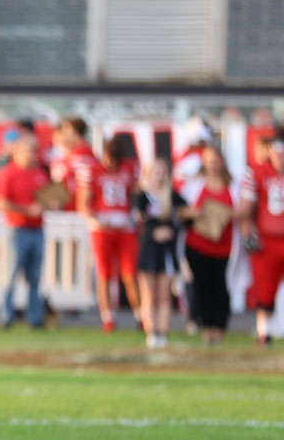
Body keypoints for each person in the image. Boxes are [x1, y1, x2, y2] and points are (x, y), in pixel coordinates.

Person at [239, 127, 284, 346]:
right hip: (267, 240)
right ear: (270, 153)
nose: (281, 158)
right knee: (265, 290)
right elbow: (246, 208)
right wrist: (247, 232)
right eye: (278, 153)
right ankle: (264, 333)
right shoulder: (256, 172)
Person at [77, 137, 141, 333]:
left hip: (124, 227)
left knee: (130, 272)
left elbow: (138, 195)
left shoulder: (129, 168)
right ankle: (108, 318)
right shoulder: (92, 170)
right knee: (104, 273)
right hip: (102, 229)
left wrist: (135, 215)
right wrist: (96, 218)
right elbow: (83, 203)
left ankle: (141, 315)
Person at [0, 134, 57, 328]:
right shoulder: (7, 173)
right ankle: (6, 316)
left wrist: (50, 204)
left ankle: (35, 318)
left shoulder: (39, 174)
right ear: (18, 152)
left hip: (37, 228)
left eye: (34, 151)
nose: (32, 155)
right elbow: (0, 202)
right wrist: (26, 210)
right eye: (29, 150)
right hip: (17, 228)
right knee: (10, 274)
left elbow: (49, 196)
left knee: (35, 276)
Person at [134, 159, 190, 349]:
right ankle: (151, 332)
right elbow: (138, 217)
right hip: (149, 248)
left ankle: (163, 332)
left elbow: (186, 213)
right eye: (155, 172)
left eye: (162, 172)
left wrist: (172, 229)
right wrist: (153, 231)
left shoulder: (171, 195)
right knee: (148, 293)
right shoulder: (142, 195)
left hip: (166, 249)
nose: (158, 176)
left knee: (164, 294)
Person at [182, 146, 235, 346]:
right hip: (198, 244)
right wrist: (195, 213)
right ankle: (206, 328)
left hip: (225, 245)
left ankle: (220, 328)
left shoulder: (233, 184)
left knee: (221, 287)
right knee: (202, 287)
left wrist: (225, 213)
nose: (213, 163)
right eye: (209, 159)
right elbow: (180, 210)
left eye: (216, 159)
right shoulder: (194, 184)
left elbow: (243, 211)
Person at [50, 117, 96, 211]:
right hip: (80, 209)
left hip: (76, 210)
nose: (64, 135)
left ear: (75, 133)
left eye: (66, 131)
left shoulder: (79, 155)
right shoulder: (89, 153)